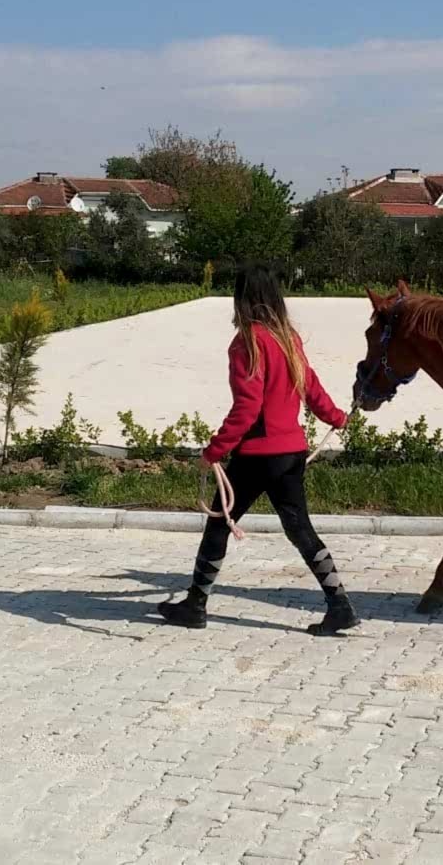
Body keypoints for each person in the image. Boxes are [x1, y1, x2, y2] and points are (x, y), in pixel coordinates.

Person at [157, 262, 359, 636]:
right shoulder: (288, 338)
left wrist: (214, 451)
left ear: (242, 298)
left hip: (257, 455)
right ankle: (340, 606)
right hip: (291, 453)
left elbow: (247, 408)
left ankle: (195, 606)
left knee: (218, 525)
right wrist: (336, 417)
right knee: (300, 530)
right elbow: (311, 387)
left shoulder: (247, 343)